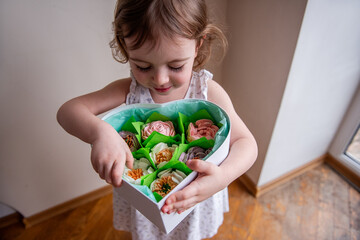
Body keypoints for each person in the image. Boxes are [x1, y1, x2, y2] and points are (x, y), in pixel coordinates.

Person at [57, 0, 258, 239]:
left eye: (176, 66)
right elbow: (68, 111)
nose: (160, 79)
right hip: (147, 206)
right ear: (125, 47)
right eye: (143, 66)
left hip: (194, 200)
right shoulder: (128, 90)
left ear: (197, 45)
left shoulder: (207, 92)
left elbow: (246, 143)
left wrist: (222, 178)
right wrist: (100, 132)